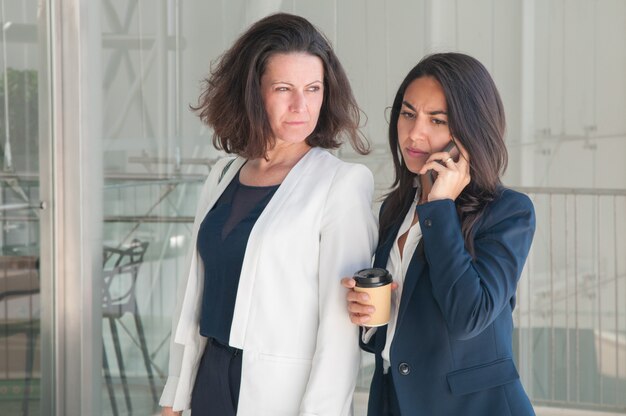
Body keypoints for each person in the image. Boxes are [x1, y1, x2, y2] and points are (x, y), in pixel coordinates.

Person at [160, 13, 377, 416]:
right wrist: (174, 396)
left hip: (280, 394)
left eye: (313, 88)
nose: (301, 105)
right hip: (208, 379)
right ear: (252, 92)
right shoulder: (223, 175)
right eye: (283, 88)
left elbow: (339, 331)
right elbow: (193, 295)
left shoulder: (341, 185)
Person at [342, 52, 536, 415]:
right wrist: (369, 319)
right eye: (408, 113)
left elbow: (469, 316)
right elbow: (398, 329)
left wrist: (441, 207)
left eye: (437, 120)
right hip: (396, 402)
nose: (415, 133)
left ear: (469, 131)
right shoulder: (395, 207)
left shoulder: (508, 212)